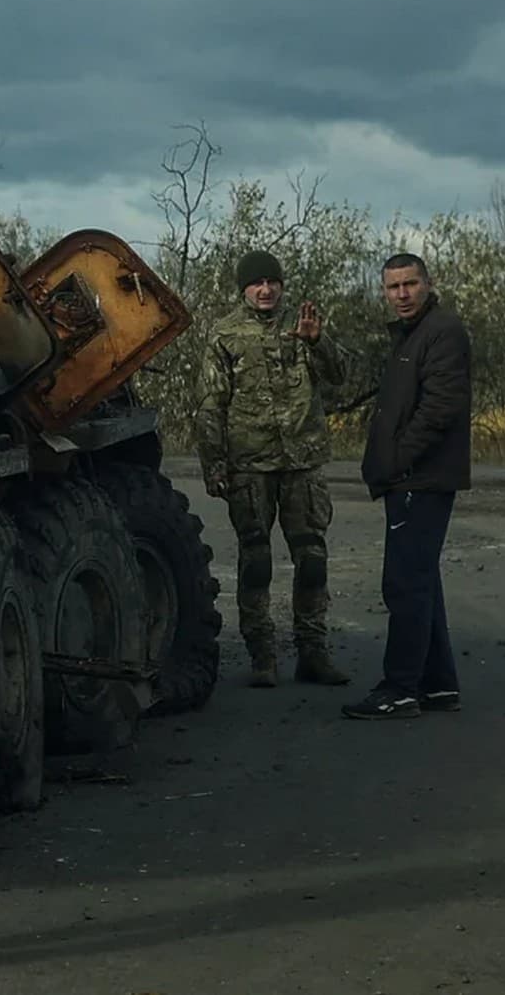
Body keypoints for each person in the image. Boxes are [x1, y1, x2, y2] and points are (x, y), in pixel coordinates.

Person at [195, 249, 353, 688]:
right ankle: (262, 654)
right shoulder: (224, 335)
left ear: (282, 285)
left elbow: (341, 375)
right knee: (256, 560)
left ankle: (312, 651)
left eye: (272, 282)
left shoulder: (303, 324)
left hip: (302, 460)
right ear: (243, 288)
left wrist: (317, 340)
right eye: (256, 283)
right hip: (250, 464)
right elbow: (210, 405)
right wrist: (214, 464)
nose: (265, 290)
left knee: (313, 558)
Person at [345, 252, 472, 720]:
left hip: (422, 479)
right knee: (422, 582)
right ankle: (438, 686)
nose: (401, 294)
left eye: (410, 284)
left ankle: (399, 690)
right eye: (393, 287)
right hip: (410, 479)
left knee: (405, 584)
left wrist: (396, 461)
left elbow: (440, 408)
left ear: (427, 283)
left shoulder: (442, 332)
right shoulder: (411, 335)